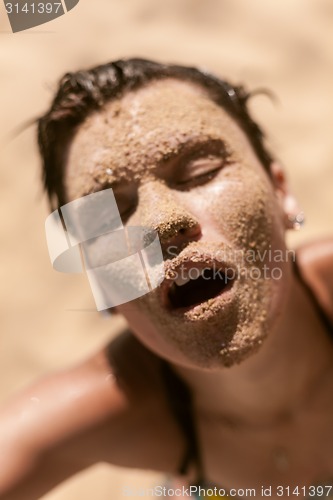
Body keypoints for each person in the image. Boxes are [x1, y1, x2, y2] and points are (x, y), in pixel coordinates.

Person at [0, 58, 332, 500]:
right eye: (110, 218)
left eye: (201, 171)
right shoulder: (113, 405)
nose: (162, 223)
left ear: (281, 190)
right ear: (102, 283)